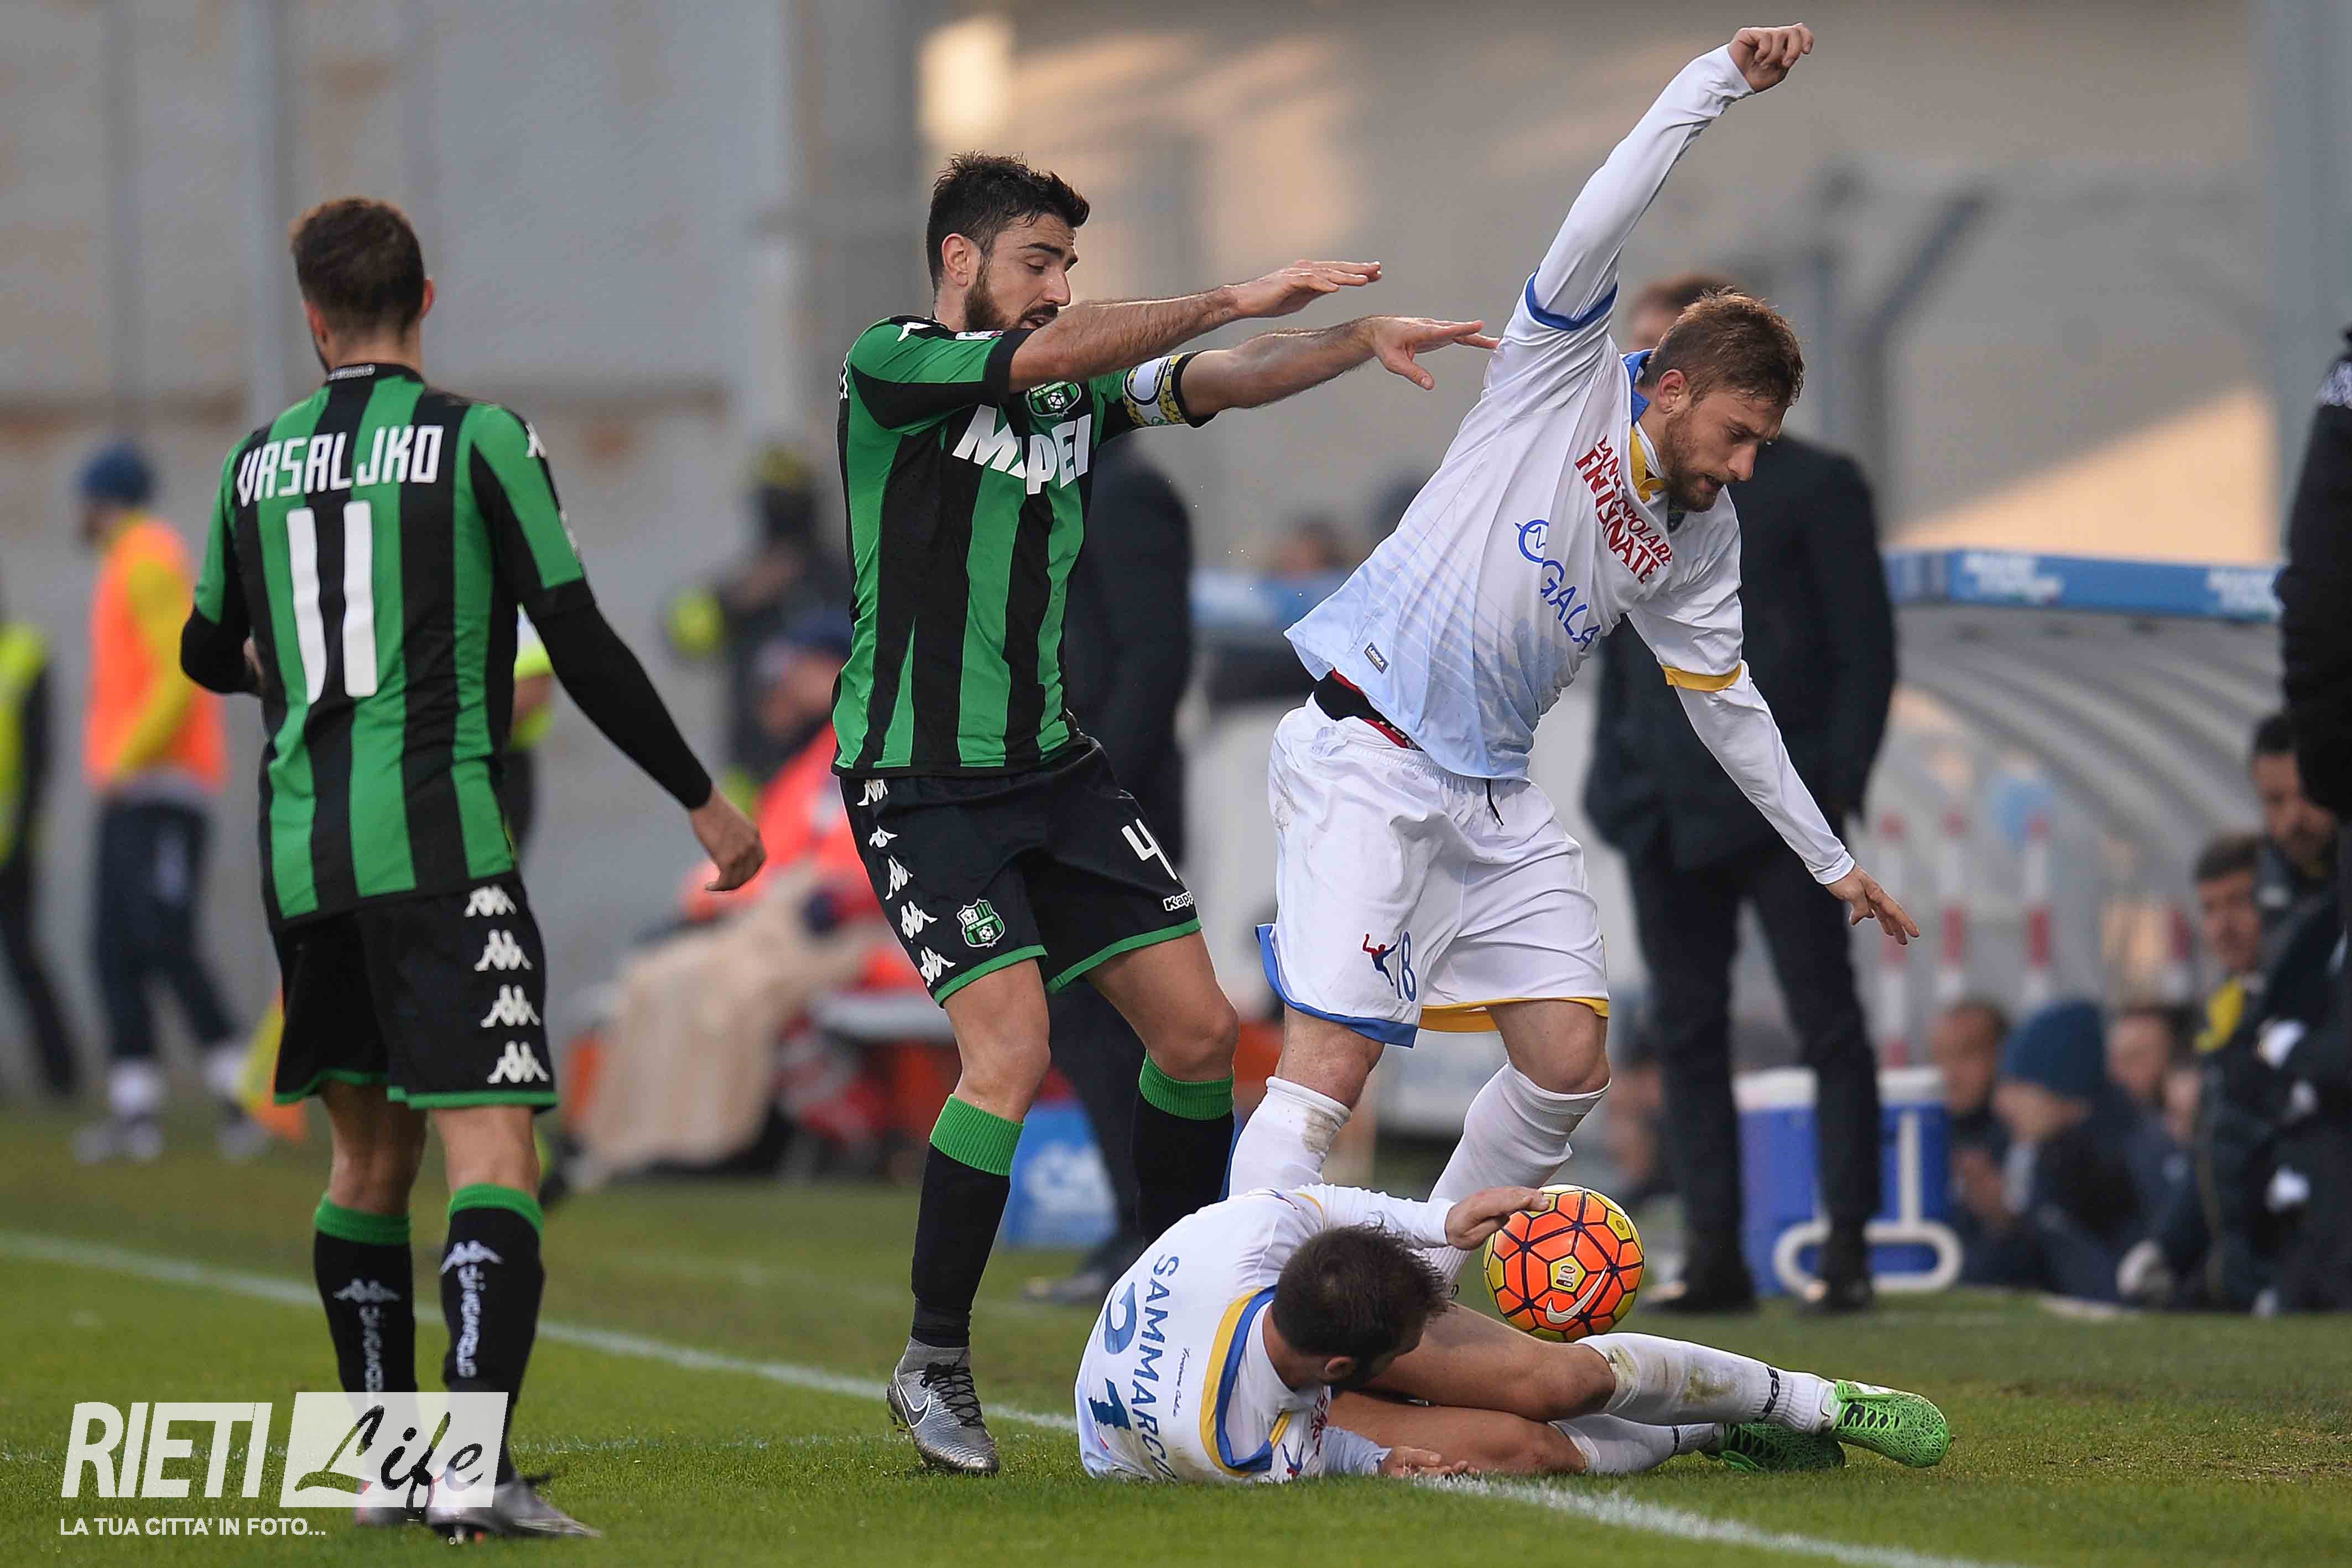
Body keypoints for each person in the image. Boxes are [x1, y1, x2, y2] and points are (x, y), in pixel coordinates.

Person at [833, 152, 1495, 1478]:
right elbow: (1072, 351)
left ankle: (1172, 1307)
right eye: (1037, 261)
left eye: (1068, 266)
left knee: (1195, 1038)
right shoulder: (893, 363)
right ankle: (932, 1356)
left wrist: (1353, 339)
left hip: (1053, 770)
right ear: (959, 260)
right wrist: (1233, 291)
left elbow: (1220, 381)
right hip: (920, 779)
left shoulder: (1069, 392)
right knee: (1009, 1050)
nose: (1058, 286)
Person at [1230, 29, 1914, 1298]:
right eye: (1738, 433)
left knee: (1566, 1063)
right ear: (1672, 385)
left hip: (1489, 792)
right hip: (1368, 745)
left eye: (1763, 447)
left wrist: (1829, 861)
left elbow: (1730, 706)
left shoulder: (1701, 536)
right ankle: (1233, 1316)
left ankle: (1410, 1295)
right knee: (1330, 1066)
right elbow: (1612, 193)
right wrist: (1718, 80)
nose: (1744, 465)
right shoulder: (1559, 370)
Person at [179, 197, 761, 1538]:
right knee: (493, 1144)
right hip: (442, 849)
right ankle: (471, 1465)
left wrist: (280, 668)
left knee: (364, 1163)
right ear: (425, 301)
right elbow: (575, 631)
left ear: (313, 318)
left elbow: (207, 649)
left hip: (304, 856)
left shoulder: (254, 463)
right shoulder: (478, 440)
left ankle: (389, 1464)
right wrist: (698, 796)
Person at [1585, 269, 1896, 1314]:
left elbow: (1865, 655)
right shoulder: (1623, 480)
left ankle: (1847, 1249)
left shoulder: (1814, 488)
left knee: (1826, 1021)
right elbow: (1621, 645)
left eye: (1659, 357)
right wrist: (1616, 777)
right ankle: (1714, 1254)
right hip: (1662, 810)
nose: (1643, 379)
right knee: (1685, 1031)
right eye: (1639, 359)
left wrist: (1828, 796)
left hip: (1778, 801)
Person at [1074, 1179, 1950, 1483]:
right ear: (1344, 1368)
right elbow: (1320, 1443)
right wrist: (1379, 1460)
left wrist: (1441, 1219)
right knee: (1526, 1446)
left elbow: (1326, 1202)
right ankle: (1711, 1429)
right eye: (1399, 1358)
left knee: (1560, 1381)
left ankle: (1818, 1399)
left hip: (1235, 1332)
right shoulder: (1235, 1447)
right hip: (1174, 1417)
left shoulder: (1252, 1232)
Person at [1027, 440, 1198, 1306]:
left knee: (1122, 1019)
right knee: (1083, 1017)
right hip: (1069, 796)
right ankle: (1140, 1220)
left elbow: (1154, 660)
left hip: (1109, 805)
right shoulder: (1071, 490)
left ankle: (1159, 1229)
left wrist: (1097, 795)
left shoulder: (1129, 494)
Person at [71, 440, 256, 1162]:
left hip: (162, 785)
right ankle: (135, 1110)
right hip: (132, 789)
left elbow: (180, 673)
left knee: (164, 940)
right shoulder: (127, 558)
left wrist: (127, 754)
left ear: (101, 499)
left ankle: (242, 1098)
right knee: (113, 947)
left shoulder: (146, 558)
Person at [663, 443, 850, 804]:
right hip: (753, 776)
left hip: (831, 777)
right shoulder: (745, 588)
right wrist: (739, 597)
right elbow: (682, 635)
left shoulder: (844, 580)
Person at [1958, 1002, 2147, 1302]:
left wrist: (2024, 1221)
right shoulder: (2029, 1150)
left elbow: (2109, 1285)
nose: (2002, 1104)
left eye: (2019, 1086)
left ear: (2064, 1092)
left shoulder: (2119, 1159)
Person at [0, 581, 77, 1100]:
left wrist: (23, 835)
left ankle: (61, 1072)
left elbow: (39, 756)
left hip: (13, 842)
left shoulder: (26, 654)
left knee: (23, 957)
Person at [2190, 832, 2264, 1054]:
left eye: (2239, 902)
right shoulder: (2217, 1009)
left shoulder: (2316, 996)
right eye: (2210, 909)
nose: (2222, 927)